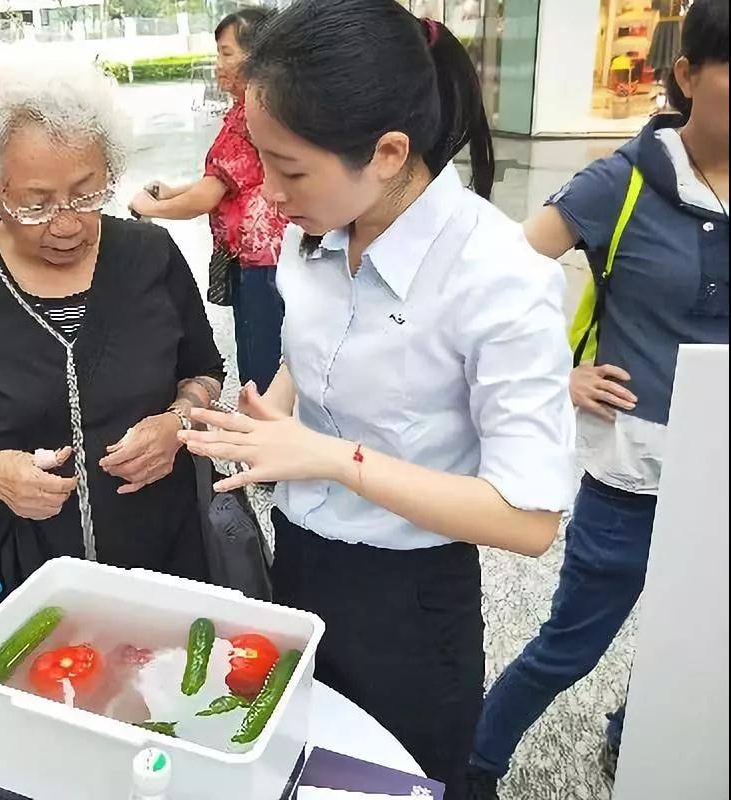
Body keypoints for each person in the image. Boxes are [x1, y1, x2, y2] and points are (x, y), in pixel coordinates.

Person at [176, 2, 576, 798]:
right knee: (298, 764)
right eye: (261, 161)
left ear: (389, 152)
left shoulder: (497, 275)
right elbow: (308, 356)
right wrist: (270, 418)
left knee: (402, 779)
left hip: (411, 600)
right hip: (301, 562)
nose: (269, 195)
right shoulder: (313, 229)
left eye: (289, 170)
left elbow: (528, 520)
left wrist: (329, 457)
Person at [467, 2, 728, 796]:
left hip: (722, 475)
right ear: (687, 75)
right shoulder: (623, 181)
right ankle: (474, 766)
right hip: (635, 471)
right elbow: (491, 284)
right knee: (570, 645)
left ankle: (632, 732)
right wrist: (558, 376)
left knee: (698, 639)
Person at [0, 51, 225, 635]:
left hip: (164, 557)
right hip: (21, 571)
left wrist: (177, 423)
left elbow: (203, 370)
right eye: (35, 203)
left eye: (85, 192)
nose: (66, 223)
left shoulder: (151, 256)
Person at [129, 8, 287, 393]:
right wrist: (171, 191)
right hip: (266, 258)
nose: (218, 64)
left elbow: (208, 195)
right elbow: (227, 180)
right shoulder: (256, 108)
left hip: (261, 263)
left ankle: (259, 443)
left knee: (260, 364)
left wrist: (150, 208)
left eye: (226, 53)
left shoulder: (254, 113)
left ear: (258, 55)